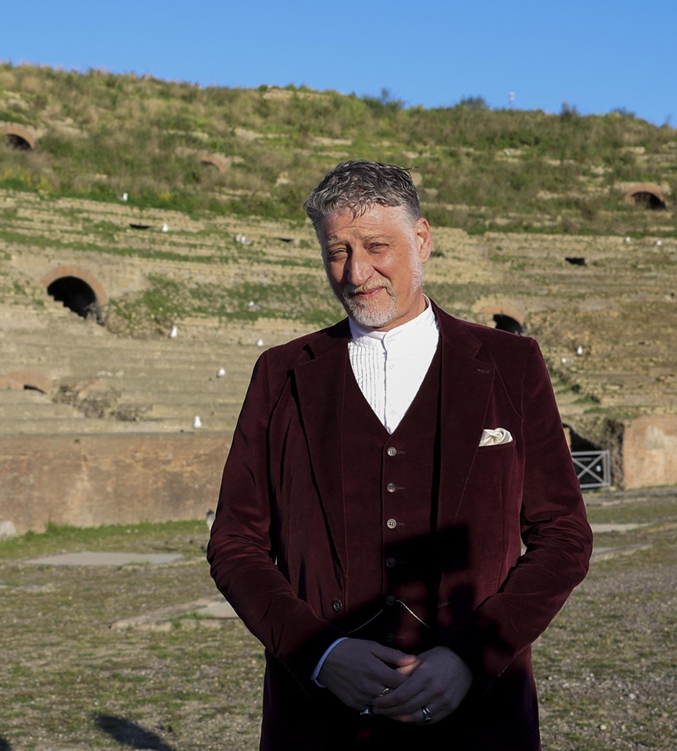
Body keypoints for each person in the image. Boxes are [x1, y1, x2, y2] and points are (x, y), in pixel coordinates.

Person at [208, 160, 593, 749]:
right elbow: (235, 544)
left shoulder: (511, 365)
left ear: (422, 240)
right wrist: (321, 653)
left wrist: (471, 656)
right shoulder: (280, 375)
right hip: (318, 721)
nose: (356, 272)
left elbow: (564, 536)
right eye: (336, 251)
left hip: (481, 717)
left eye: (376, 246)